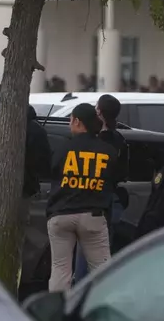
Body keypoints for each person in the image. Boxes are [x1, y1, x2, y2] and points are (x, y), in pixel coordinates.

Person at [46, 103, 118, 291]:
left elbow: (52, 174)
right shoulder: (108, 151)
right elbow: (115, 179)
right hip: (93, 215)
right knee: (102, 271)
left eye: (71, 119)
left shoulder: (63, 149)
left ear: (78, 122)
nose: (70, 124)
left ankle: (57, 312)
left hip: (61, 214)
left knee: (60, 271)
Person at [73, 94, 129, 284]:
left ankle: (79, 292)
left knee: (84, 255)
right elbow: (122, 172)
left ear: (99, 112)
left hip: (93, 199)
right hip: (110, 201)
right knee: (103, 253)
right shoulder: (120, 140)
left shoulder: (95, 142)